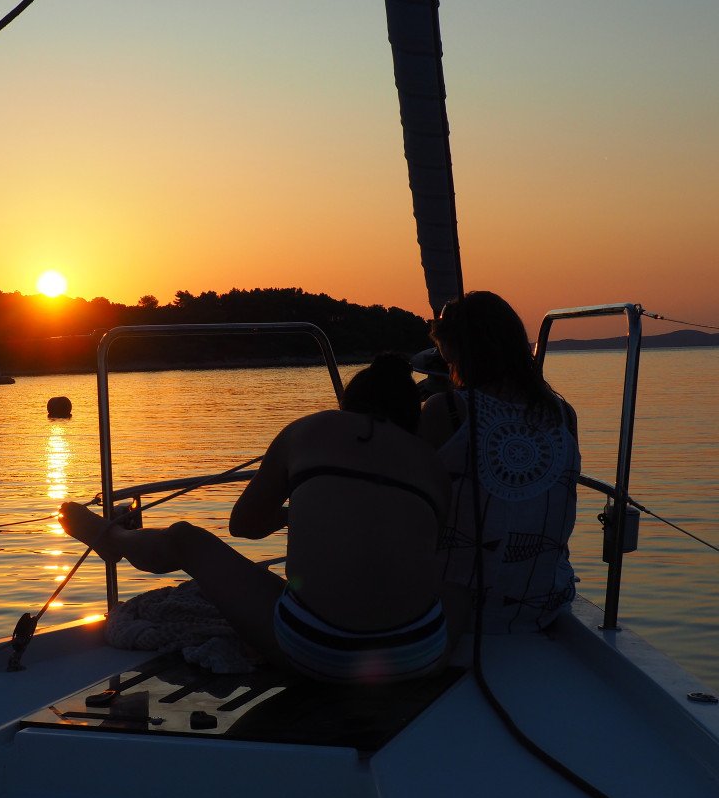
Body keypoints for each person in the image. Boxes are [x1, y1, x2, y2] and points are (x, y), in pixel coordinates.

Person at [60, 353, 461, 684]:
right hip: (419, 653)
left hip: (319, 650)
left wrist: (293, 514)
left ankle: (111, 538)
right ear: (412, 416)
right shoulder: (431, 463)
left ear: (347, 405)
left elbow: (245, 525)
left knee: (186, 538)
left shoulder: (307, 430)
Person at [419, 291, 581, 634]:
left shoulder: (446, 411)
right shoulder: (563, 414)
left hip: (458, 608)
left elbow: (411, 507)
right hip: (543, 601)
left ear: (457, 350)